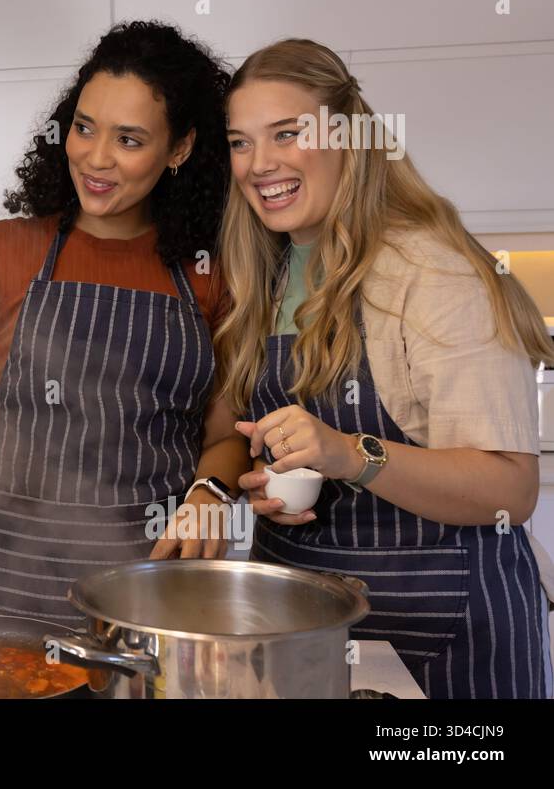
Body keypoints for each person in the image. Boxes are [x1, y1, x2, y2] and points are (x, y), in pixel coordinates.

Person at [0, 21, 250, 626]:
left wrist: (210, 493)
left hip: (155, 585)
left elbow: (226, 436)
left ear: (179, 150)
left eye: (129, 140)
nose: (95, 158)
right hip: (11, 588)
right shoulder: (5, 249)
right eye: (84, 127)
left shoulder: (210, 272)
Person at [220, 38, 554, 698]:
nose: (260, 164)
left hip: (446, 635)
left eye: (286, 133)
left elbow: (509, 490)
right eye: (240, 142)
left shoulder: (435, 269)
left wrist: (350, 453)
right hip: (303, 625)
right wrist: (259, 481)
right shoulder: (263, 272)